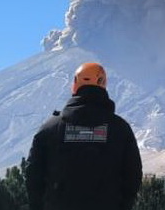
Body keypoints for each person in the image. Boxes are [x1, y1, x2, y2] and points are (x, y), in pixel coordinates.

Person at [26, 62, 142, 210]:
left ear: (74, 84)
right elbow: (133, 176)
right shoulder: (120, 129)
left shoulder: (49, 129)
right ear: (103, 84)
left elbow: (33, 175)